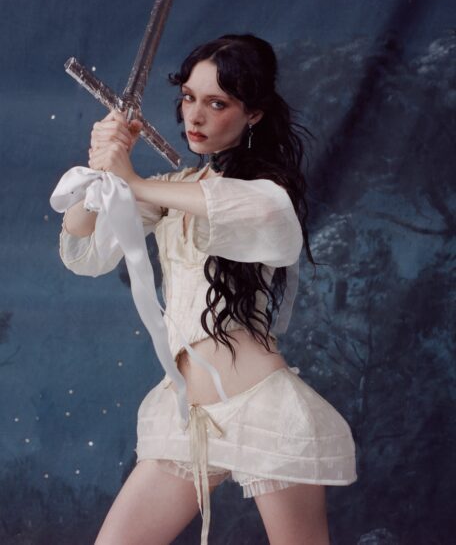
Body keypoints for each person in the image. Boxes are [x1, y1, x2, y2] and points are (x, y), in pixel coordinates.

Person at [57, 34, 357, 545]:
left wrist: (132, 180)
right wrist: (101, 168)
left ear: (253, 113)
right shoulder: (176, 189)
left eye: (217, 103)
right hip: (189, 419)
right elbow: (85, 248)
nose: (194, 116)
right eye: (188, 97)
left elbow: (265, 215)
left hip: (263, 410)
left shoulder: (264, 194)